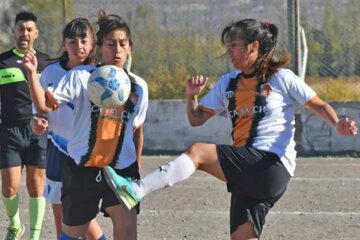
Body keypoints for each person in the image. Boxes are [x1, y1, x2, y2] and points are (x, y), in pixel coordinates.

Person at [103, 19, 358, 240]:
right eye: (228, 46)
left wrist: (337, 123)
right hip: (248, 169)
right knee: (241, 236)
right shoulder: (228, 83)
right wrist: (191, 96)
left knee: (198, 152)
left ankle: (136, 190)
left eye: (235, 45)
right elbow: (196, 119)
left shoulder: (281, 77)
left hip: (270, 165)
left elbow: (318, 104)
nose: (230, 52)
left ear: (254, 47)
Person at [22, 9, 148, 240]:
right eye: (110, 44)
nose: (117, 50)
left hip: (122, 171)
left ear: (130, 47)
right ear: (99, 47)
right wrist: (31, 75)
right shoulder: (81, 76)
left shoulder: (139, 86)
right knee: (71, 234)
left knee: (128, 233)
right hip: (82, 169)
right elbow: (44, 107)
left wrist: (135, 176)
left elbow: (136, 131)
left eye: (122, 44)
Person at [30, 18, 106, 240]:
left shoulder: (101, 76)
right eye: (72, 41)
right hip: (57, 150)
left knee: (83, 215)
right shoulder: (51, 73)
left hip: (86, 153)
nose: (79, 46)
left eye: (84, 40)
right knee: (61, 214)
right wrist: (37, 121)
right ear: (64, 43)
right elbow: (39, 110)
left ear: (93, 43)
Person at [0, 11, 51, 240]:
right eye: (21, 28)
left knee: (35, 186)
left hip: (37, 132)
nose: (25, 33)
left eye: (30, 29)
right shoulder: (2, 62)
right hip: (9, 131)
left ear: (36, 33)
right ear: (14, 31)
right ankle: (14, 225)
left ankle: (34, 236)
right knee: (9, 188)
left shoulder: (47, 63)